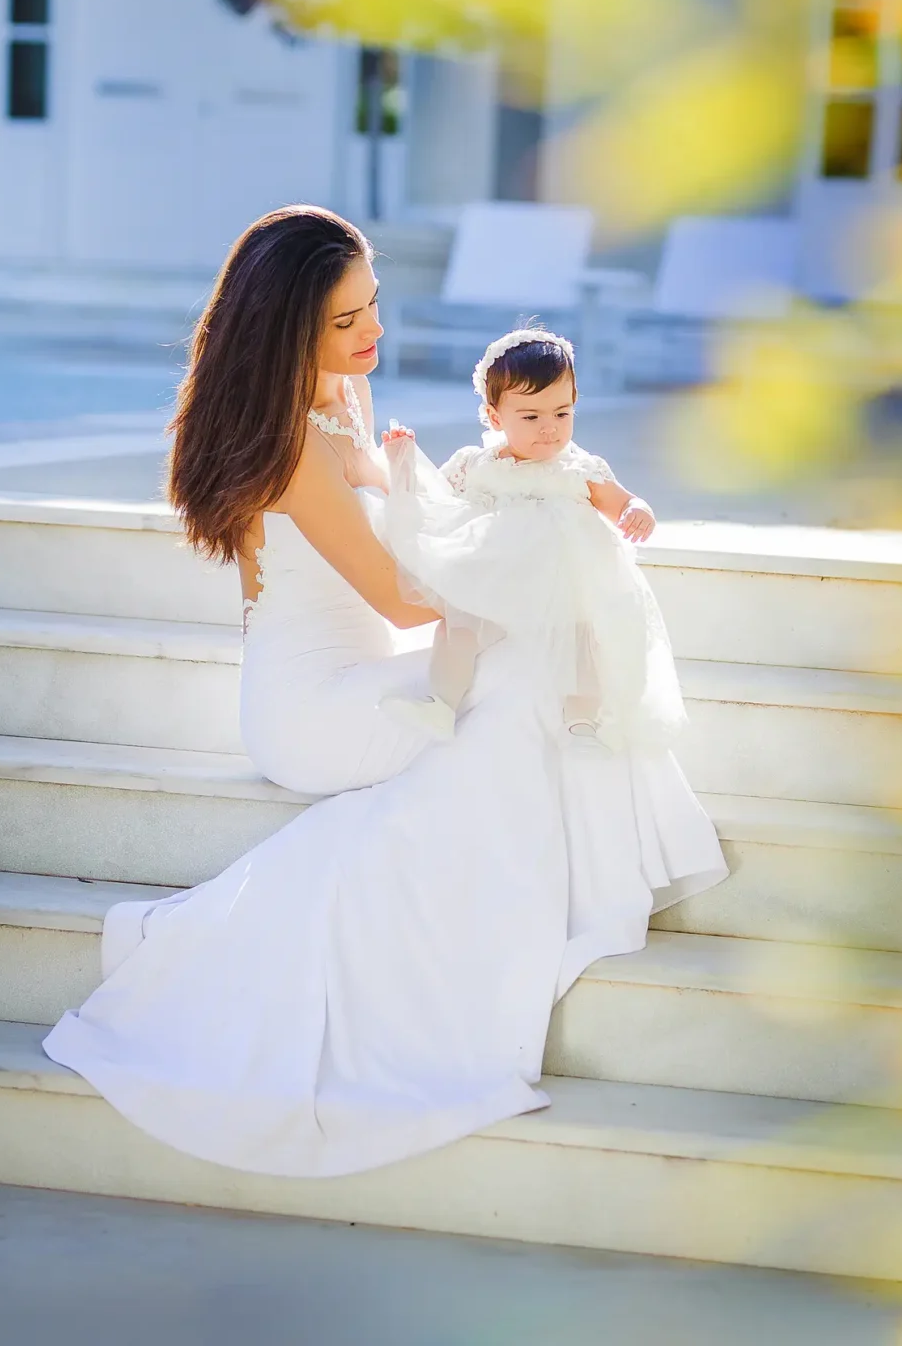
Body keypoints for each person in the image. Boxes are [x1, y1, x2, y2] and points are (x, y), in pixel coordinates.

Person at [42, 206, 728, 1180]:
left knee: (539, 662)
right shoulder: (291, 443)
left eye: (373, 305)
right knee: (530, 664)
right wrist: (534, 564)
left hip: (377, 671)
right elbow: (407, 602)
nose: (371, 332)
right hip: (316, 706)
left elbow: (420, 523)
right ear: (285, 328)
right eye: (343, 321)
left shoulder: (340, 401)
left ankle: (573, 885)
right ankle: (500, 935)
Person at [379, 327, 686, 753]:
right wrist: (404, 466)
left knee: (584, 639)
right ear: (493, 416)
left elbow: (621, 500)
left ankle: (582, 721)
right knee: (458, 627)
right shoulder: (478, 463)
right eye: (531, 417)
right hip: (499, 576)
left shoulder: (579, 467)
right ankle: (441, 702)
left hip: (563, 582)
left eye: (561, 414)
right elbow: (440, 504)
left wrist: (638, 511)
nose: (549, 429)